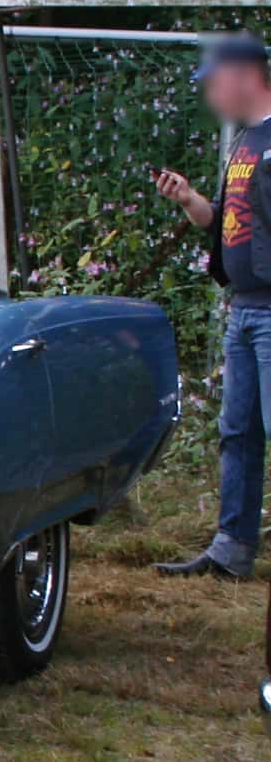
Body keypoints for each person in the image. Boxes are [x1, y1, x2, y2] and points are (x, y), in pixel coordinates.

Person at [156, 32, 271, 579]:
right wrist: (188, 199)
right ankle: (232, 549)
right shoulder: (245, 142)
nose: (212, 95)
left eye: (216, 82)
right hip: (243, 310)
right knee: (238, 432)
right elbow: (221, 219)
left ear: (247, 76)